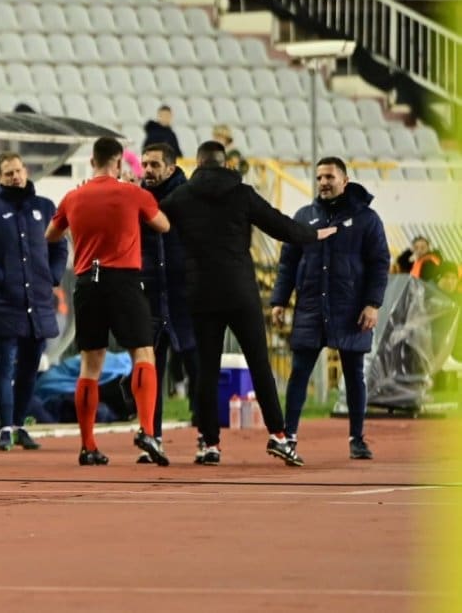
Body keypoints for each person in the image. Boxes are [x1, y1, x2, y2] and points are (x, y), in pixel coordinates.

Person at [161, 141, 335, 467]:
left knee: (206, 371)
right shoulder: (241, 193)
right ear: (225, 163)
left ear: (198, 163)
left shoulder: (182, 197)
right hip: (240, 291)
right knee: (259, 364)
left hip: (201, 293)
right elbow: (279, 225)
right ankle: (279, 435)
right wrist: (313, 235)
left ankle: (209, 443)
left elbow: (152, 217)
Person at [45, 137, 171, 466]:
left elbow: (51, 234)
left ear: (92, 162)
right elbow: (163, 224)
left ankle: (88, 445)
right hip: (124, 280)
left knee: (90, 364)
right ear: (118, 162)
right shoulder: (132, 193)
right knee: (142, 352)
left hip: (88, 282)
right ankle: (147, 429)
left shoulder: (73, 196)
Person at [271, 157, 390, 460]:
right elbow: (288, 263)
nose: (323, 183)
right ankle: (289, 437)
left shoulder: (367, 219)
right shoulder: (304, 216)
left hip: (351, 310)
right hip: (310, 308)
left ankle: (357, 439)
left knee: (354, 375)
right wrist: (279, 301)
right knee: (299, 374)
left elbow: (379, 264)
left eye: (329, 177)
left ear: (344, 181)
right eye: (319, 178)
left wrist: (372, 304)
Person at [0, 152, 67, 452]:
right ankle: (5, 427)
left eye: (18, 171)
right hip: (4, 302)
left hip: (39, 302)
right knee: (3, 366)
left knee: (29, 366)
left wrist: (52, 276)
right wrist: (1, 279)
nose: (15, 177)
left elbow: (59, 245)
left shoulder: (44, 206)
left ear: (26, 171)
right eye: (8, 173)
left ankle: (21, 424)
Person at [138, 143, 199, 462]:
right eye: (145, 164)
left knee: (197, 369)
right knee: (150, 371)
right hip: (150, 296)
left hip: (184, 297)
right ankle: (152, 437)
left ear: (171, 168)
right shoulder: (137, 197)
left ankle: (208, 439)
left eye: (154, 165)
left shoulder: (189, 198)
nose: (147, 170)